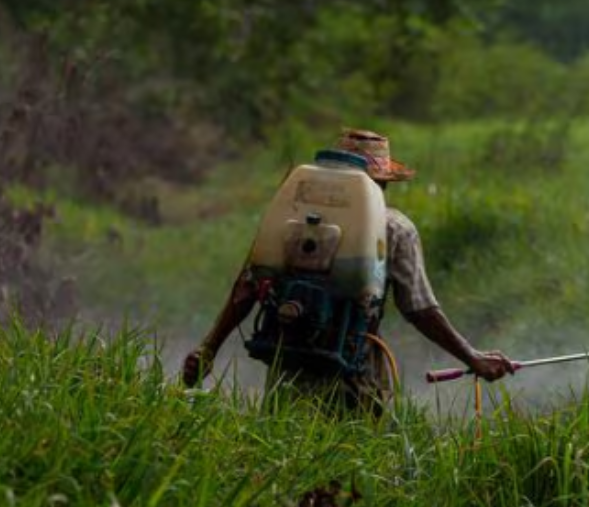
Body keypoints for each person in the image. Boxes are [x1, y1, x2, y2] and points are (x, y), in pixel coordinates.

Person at [181, 128, 515, 413]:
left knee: (281, 463)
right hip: (357, 376)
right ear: (382, 183)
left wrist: (208, 349)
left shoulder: (289, 218)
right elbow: (419, 309)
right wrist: (472, 357)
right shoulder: (395, 228)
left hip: (288, 369)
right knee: (349, 478)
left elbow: (248, 287)